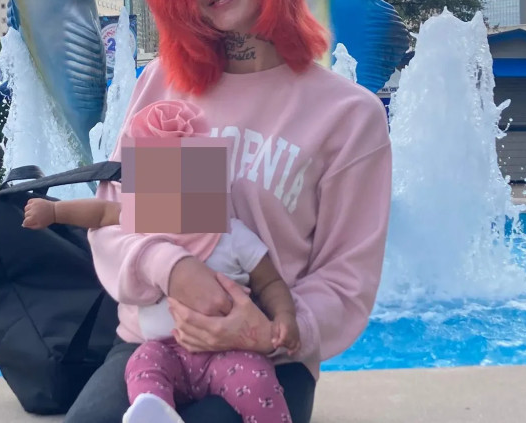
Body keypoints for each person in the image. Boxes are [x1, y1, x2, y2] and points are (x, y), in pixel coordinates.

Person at [65, 0, 393, 422]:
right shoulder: (162, 85)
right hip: (150, 347)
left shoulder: (348, 115)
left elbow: (347, 281)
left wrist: (266, 330)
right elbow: (113, 221)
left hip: (272, 361)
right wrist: (170, 268)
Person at [24, 98, 301, 422]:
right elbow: (100, 213)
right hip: (161, 349)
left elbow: (269, 282)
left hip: (230, 350)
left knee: (257, 380)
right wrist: (54, 211)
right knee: (142, 368)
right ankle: (155, 413)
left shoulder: (231, 234)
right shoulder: (147, 218)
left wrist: (285, 317)